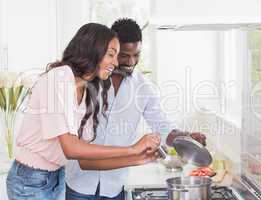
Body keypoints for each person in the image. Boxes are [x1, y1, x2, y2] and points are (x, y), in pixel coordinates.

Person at [5, 23, 161, 200]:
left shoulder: (89, 90)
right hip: (30, 180)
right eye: (111, 54)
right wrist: (133, 149)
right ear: (92, 50)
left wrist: (139, 158)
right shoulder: (59, 78)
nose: (116, 63)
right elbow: (71, 149)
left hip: (57, 177)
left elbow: (85, 160)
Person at [65, 18, 206, 200]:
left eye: (136, 54)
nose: (131, 62)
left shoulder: (143, 87)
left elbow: (162, 126)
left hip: (114, 187)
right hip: (79, 184)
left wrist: (185, 138)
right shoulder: (88, 80)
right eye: (124, 55)